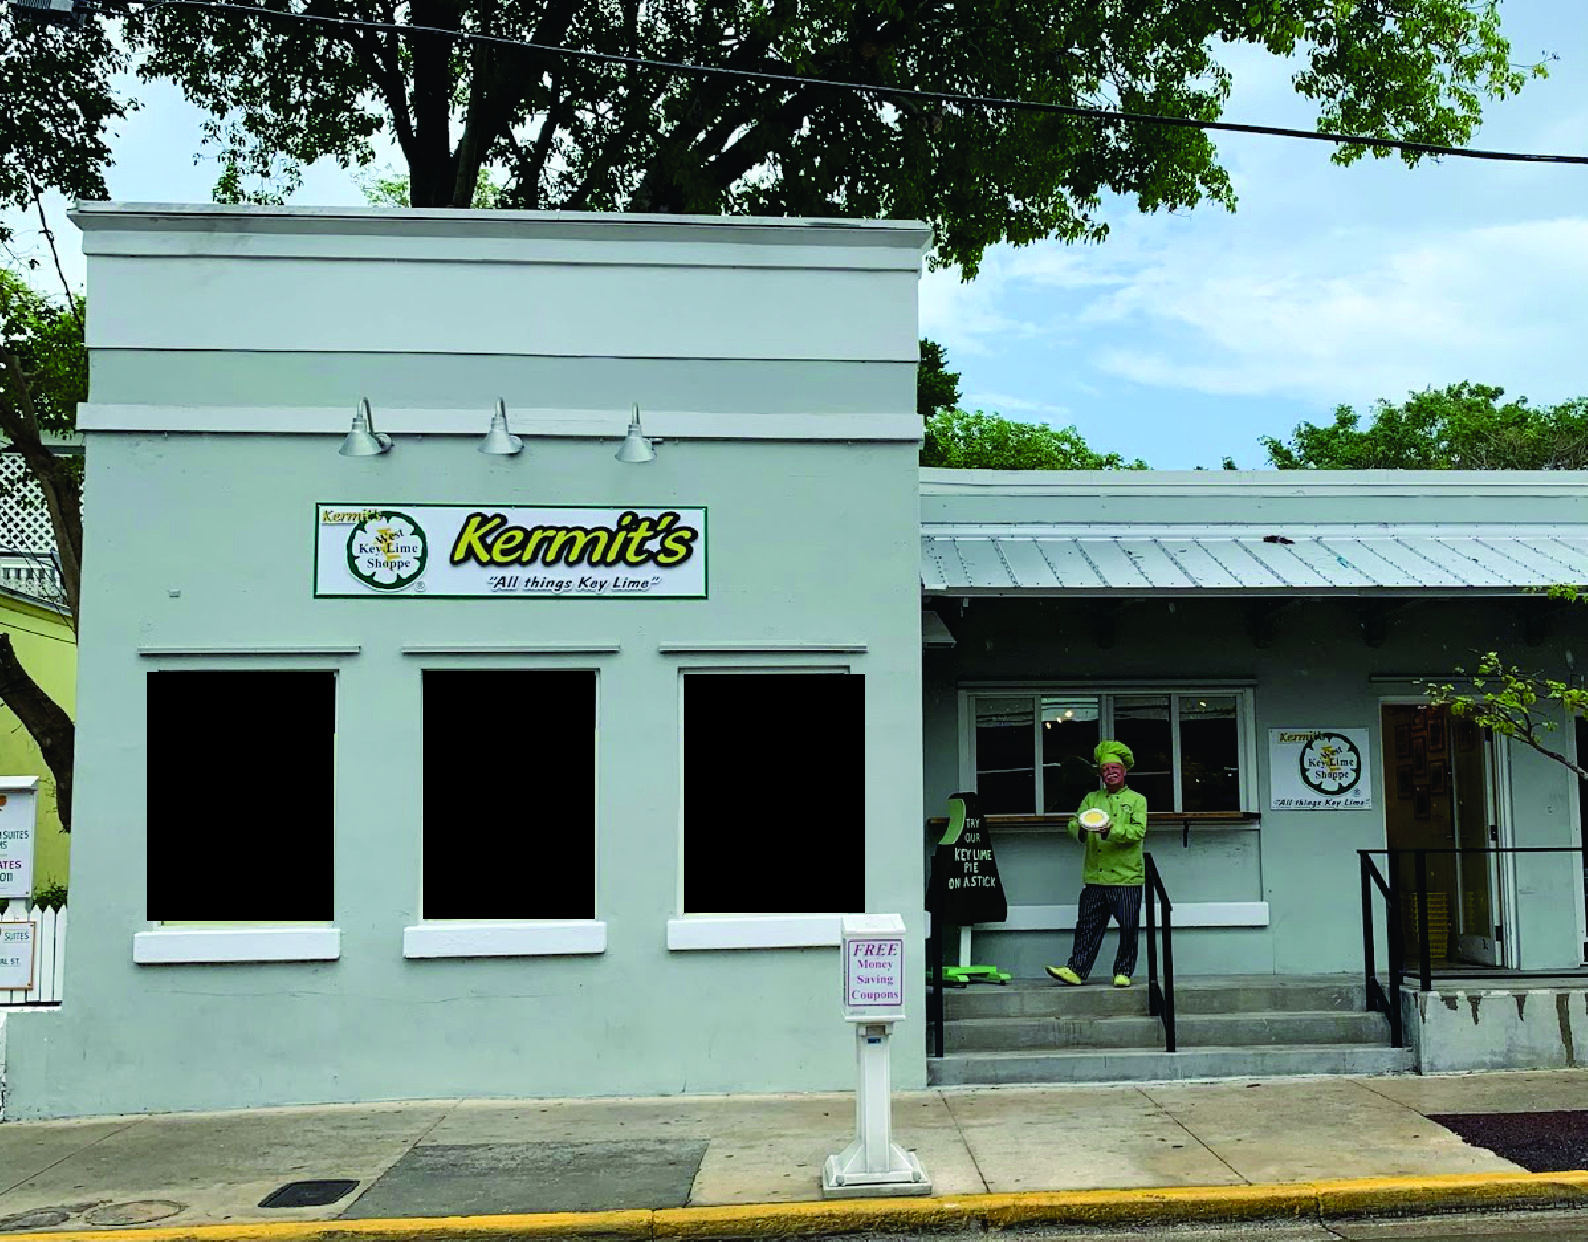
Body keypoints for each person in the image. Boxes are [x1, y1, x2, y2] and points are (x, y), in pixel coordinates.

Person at [1045, 740, 1148, 988]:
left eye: (1114, 768)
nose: (1109, 773)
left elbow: (1138, 831)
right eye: (1104, 770)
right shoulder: (1091, 798)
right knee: (1087, 926)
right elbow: (1073, 823)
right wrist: (1079, 827)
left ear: (1124, 771)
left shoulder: (1137, 800)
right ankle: (1076, 970)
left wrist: (1111, 829)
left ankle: (1123, 971)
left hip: (1126, 877)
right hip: (1095, 876)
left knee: (1128, 927)